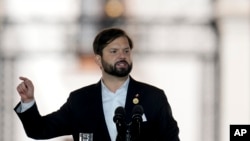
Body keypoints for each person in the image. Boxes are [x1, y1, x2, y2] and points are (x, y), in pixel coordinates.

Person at [14, 27, 180, 141]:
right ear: (99, 59)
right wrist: (28, 101)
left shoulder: (153, 97)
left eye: (126, 51)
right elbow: (39, 130)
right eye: (114, 51)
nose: (122, 56)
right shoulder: (80, 101)